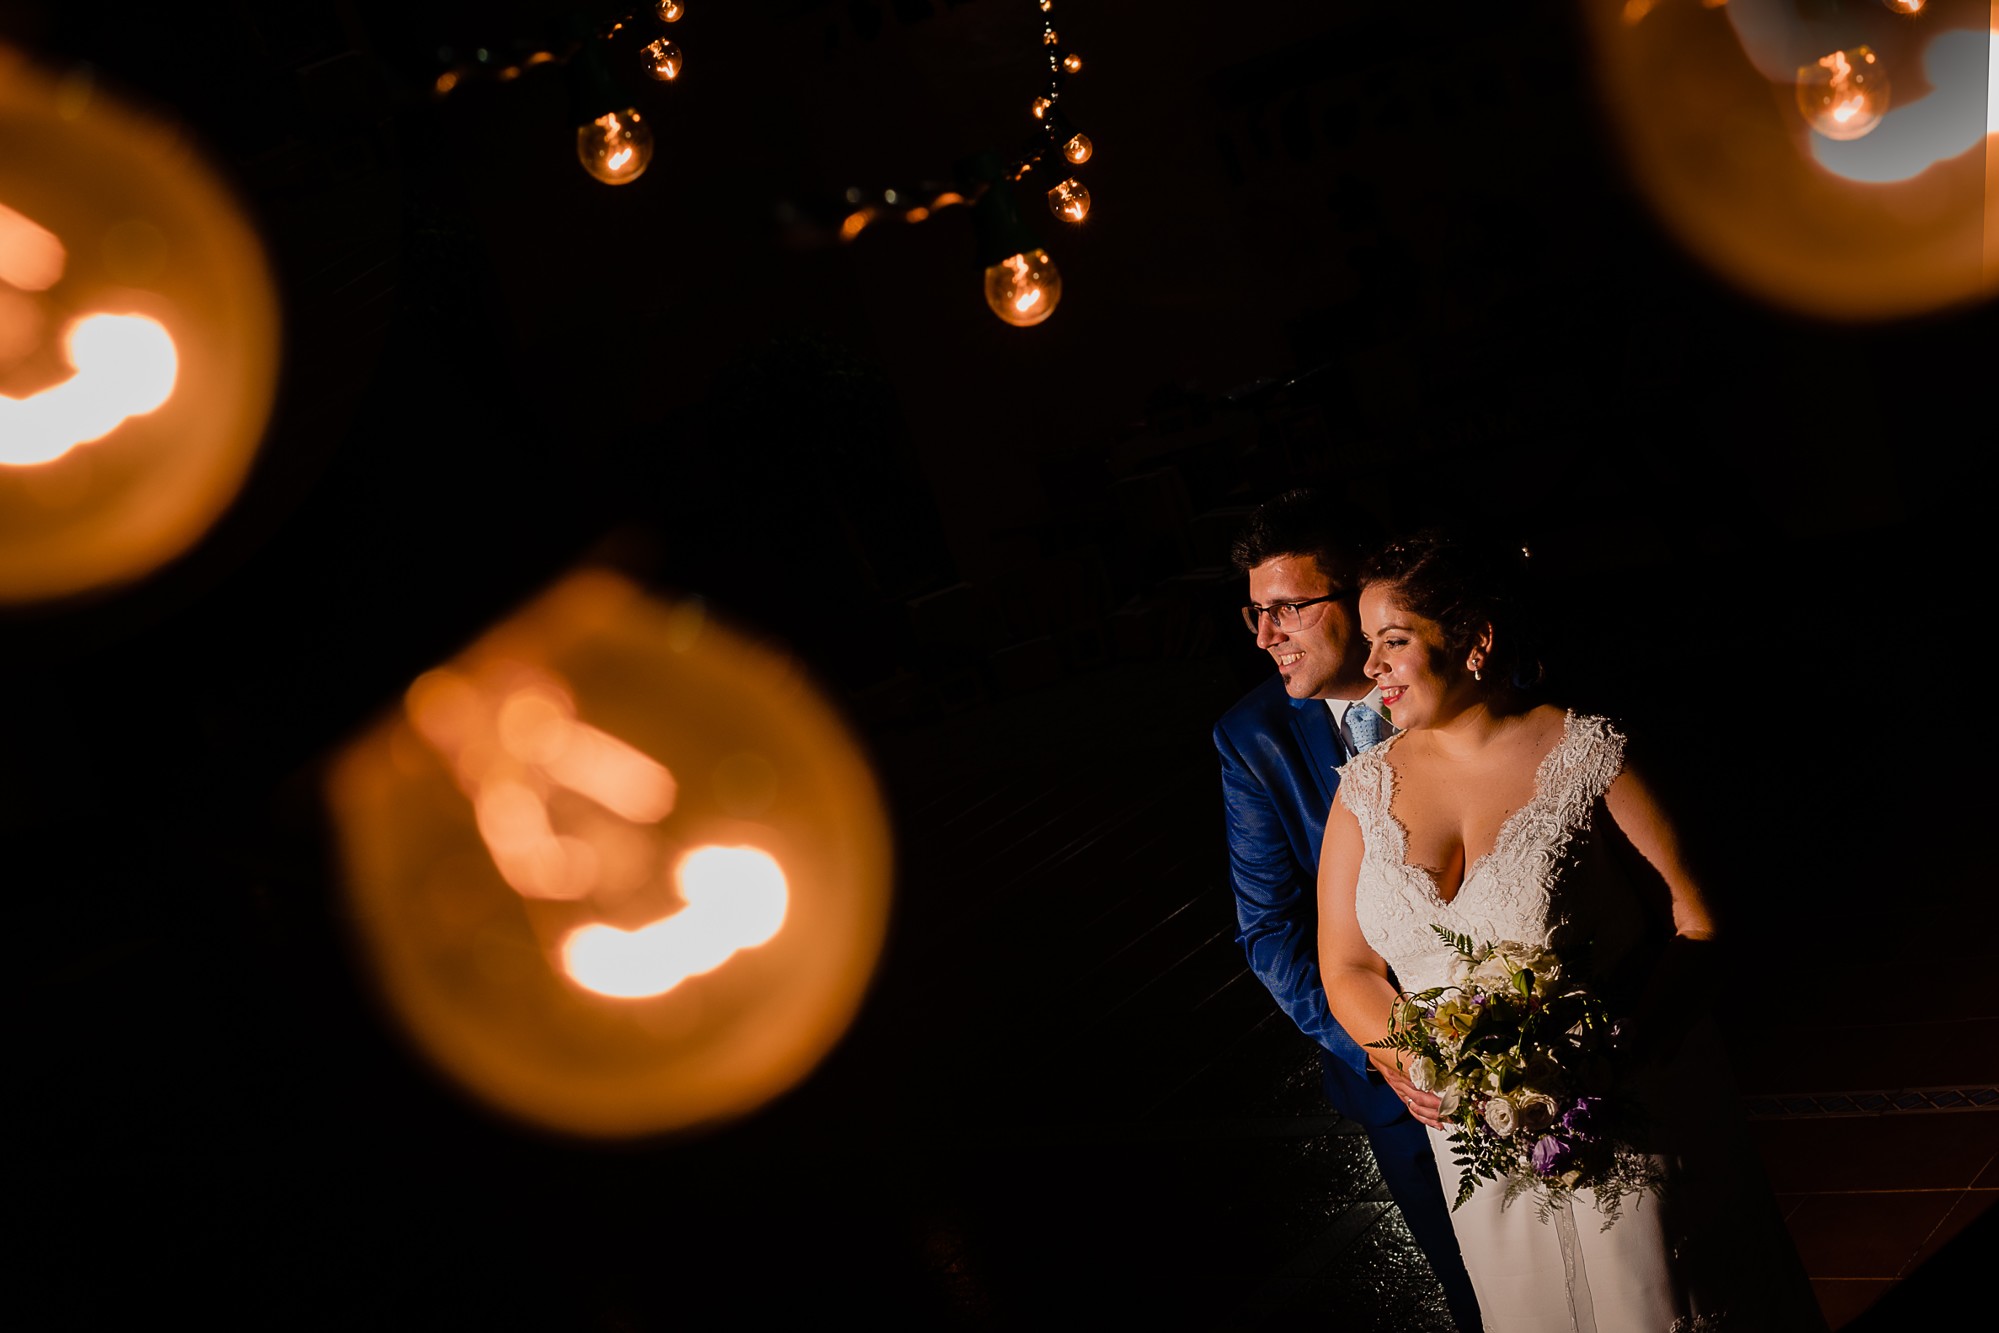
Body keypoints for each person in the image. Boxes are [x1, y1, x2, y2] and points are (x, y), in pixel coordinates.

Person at [1316, 528, 1824, 1332]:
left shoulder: (1589, 752)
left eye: (1393, 640)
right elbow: (1344, 965)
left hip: (1621, 1114)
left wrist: (1616, 1052)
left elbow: (1700, 919)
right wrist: (1411, 1057)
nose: (1370, 665)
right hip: (1475, 1139)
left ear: (1474, 640)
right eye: (1368, 642)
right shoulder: (1360, 791)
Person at [1214, 489, 1482, 1332]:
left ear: (1356, 591)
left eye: (1288, 607)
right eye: (1255, 613)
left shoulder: (1456, 686)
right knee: (1477, 1297)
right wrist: (1390, 1047)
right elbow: (1269, 931)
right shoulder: (1250, 737)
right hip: (1389, 1081)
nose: (1265, 636)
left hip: (1522, 1020)